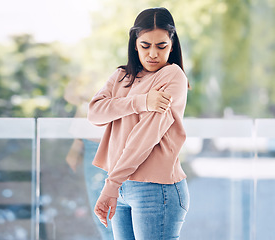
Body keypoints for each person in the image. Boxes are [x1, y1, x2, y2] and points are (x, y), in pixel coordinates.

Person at [87, 7, 190, 240]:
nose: (153, 54)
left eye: (161, 46)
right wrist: (141, 102)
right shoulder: (121, 76)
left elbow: (145, 136)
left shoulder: (172, 76)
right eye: (145, 45)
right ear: (135, 43)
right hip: (121, 186)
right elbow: (94, 113)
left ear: (172, 45)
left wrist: (111, 184)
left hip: (155, 189)